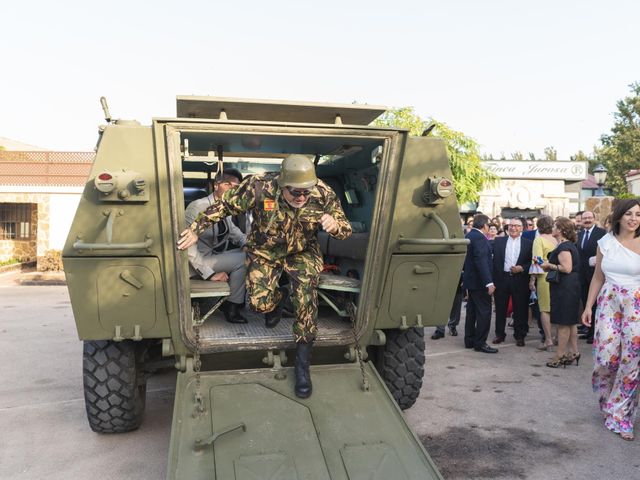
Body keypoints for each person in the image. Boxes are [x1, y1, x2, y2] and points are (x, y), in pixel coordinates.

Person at [177, 154, 352, 398]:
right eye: (295, 192)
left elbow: (345, 228)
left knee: (305, 300)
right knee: (259, 304)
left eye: (306, 193)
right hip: (265, 251)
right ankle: (276, 301)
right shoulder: (259, 187)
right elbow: (224, 206)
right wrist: (196, 230)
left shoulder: (322, 192)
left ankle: (302, 364)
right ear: (282, 185)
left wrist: (336, 226)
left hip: (302, 252)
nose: (301, 198)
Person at [581, 198, 640, 441]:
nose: (634, 218)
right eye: (629, 213)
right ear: (618, 216)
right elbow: (597, 277)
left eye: (638, 214)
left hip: (636, 304)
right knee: (606, 358)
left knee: (632, 359)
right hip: (609, 302)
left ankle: (622, 414)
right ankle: (608, 401)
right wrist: (588, 306)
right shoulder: (605, 242)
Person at [185, 168, 247, 324]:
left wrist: (248, 244)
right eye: (228, 184)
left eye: (236, 187)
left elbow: (234, 233)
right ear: (216, 185)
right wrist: (210, 274)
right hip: (193, 264)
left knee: (249, 253)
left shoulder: (224, 208)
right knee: (242, 260)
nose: (232, 189)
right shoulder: (198, 206)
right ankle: (231, 306)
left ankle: (233, 302)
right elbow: (187, 246)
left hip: (210, 257)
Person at [540, 217, 581, 368]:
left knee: (564, 323)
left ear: (561, 230)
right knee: (570, 322)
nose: (552, 227)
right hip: (570, 287)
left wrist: (548, 265)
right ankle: (574, 352)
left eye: (555, 226)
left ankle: (559, 355)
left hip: (565, 288)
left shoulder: (564, 247)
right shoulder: (567, 245)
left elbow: (567, 268)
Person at [491, 217, 533, 346]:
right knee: (500, 309)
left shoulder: (529, 243)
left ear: (522, 228)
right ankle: (499, 334)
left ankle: (520, 335)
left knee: (520, 308)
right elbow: (493, 262)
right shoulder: (498, 242)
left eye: (517, 226)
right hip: (502, 278)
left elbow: (532, 262)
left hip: (520, 279)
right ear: (507, 227)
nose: (513, 228)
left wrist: (522, 268)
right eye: (511, 225)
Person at [462, 214, 497, 353]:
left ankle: (469, 340)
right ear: (484, 226)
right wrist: (489, 282)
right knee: (484, 312)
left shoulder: (470, 236)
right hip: (480, 282)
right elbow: (481, 261)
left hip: (471, 281)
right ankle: (480, 343)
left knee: (472, 311)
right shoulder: (480, 238)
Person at [576, 211, 607, 343]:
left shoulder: (602, 234)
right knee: (586, 302)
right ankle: (588, 330)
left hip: (596, 275)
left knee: (595, 304)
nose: (587, 220)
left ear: (594, 219)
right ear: (581, 220)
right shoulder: (580, 234)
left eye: (590, 218)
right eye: (585, 218)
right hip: (582, 275)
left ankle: (594, 333)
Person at [529, 215, 558, 350]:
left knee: (545, 309)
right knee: (557, 307)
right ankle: (558, 337)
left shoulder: (539, 240)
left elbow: (536, 260)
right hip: (559, 275)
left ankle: (548, 340)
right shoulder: (557, 239)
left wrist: (532, 280)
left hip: (545, 277)